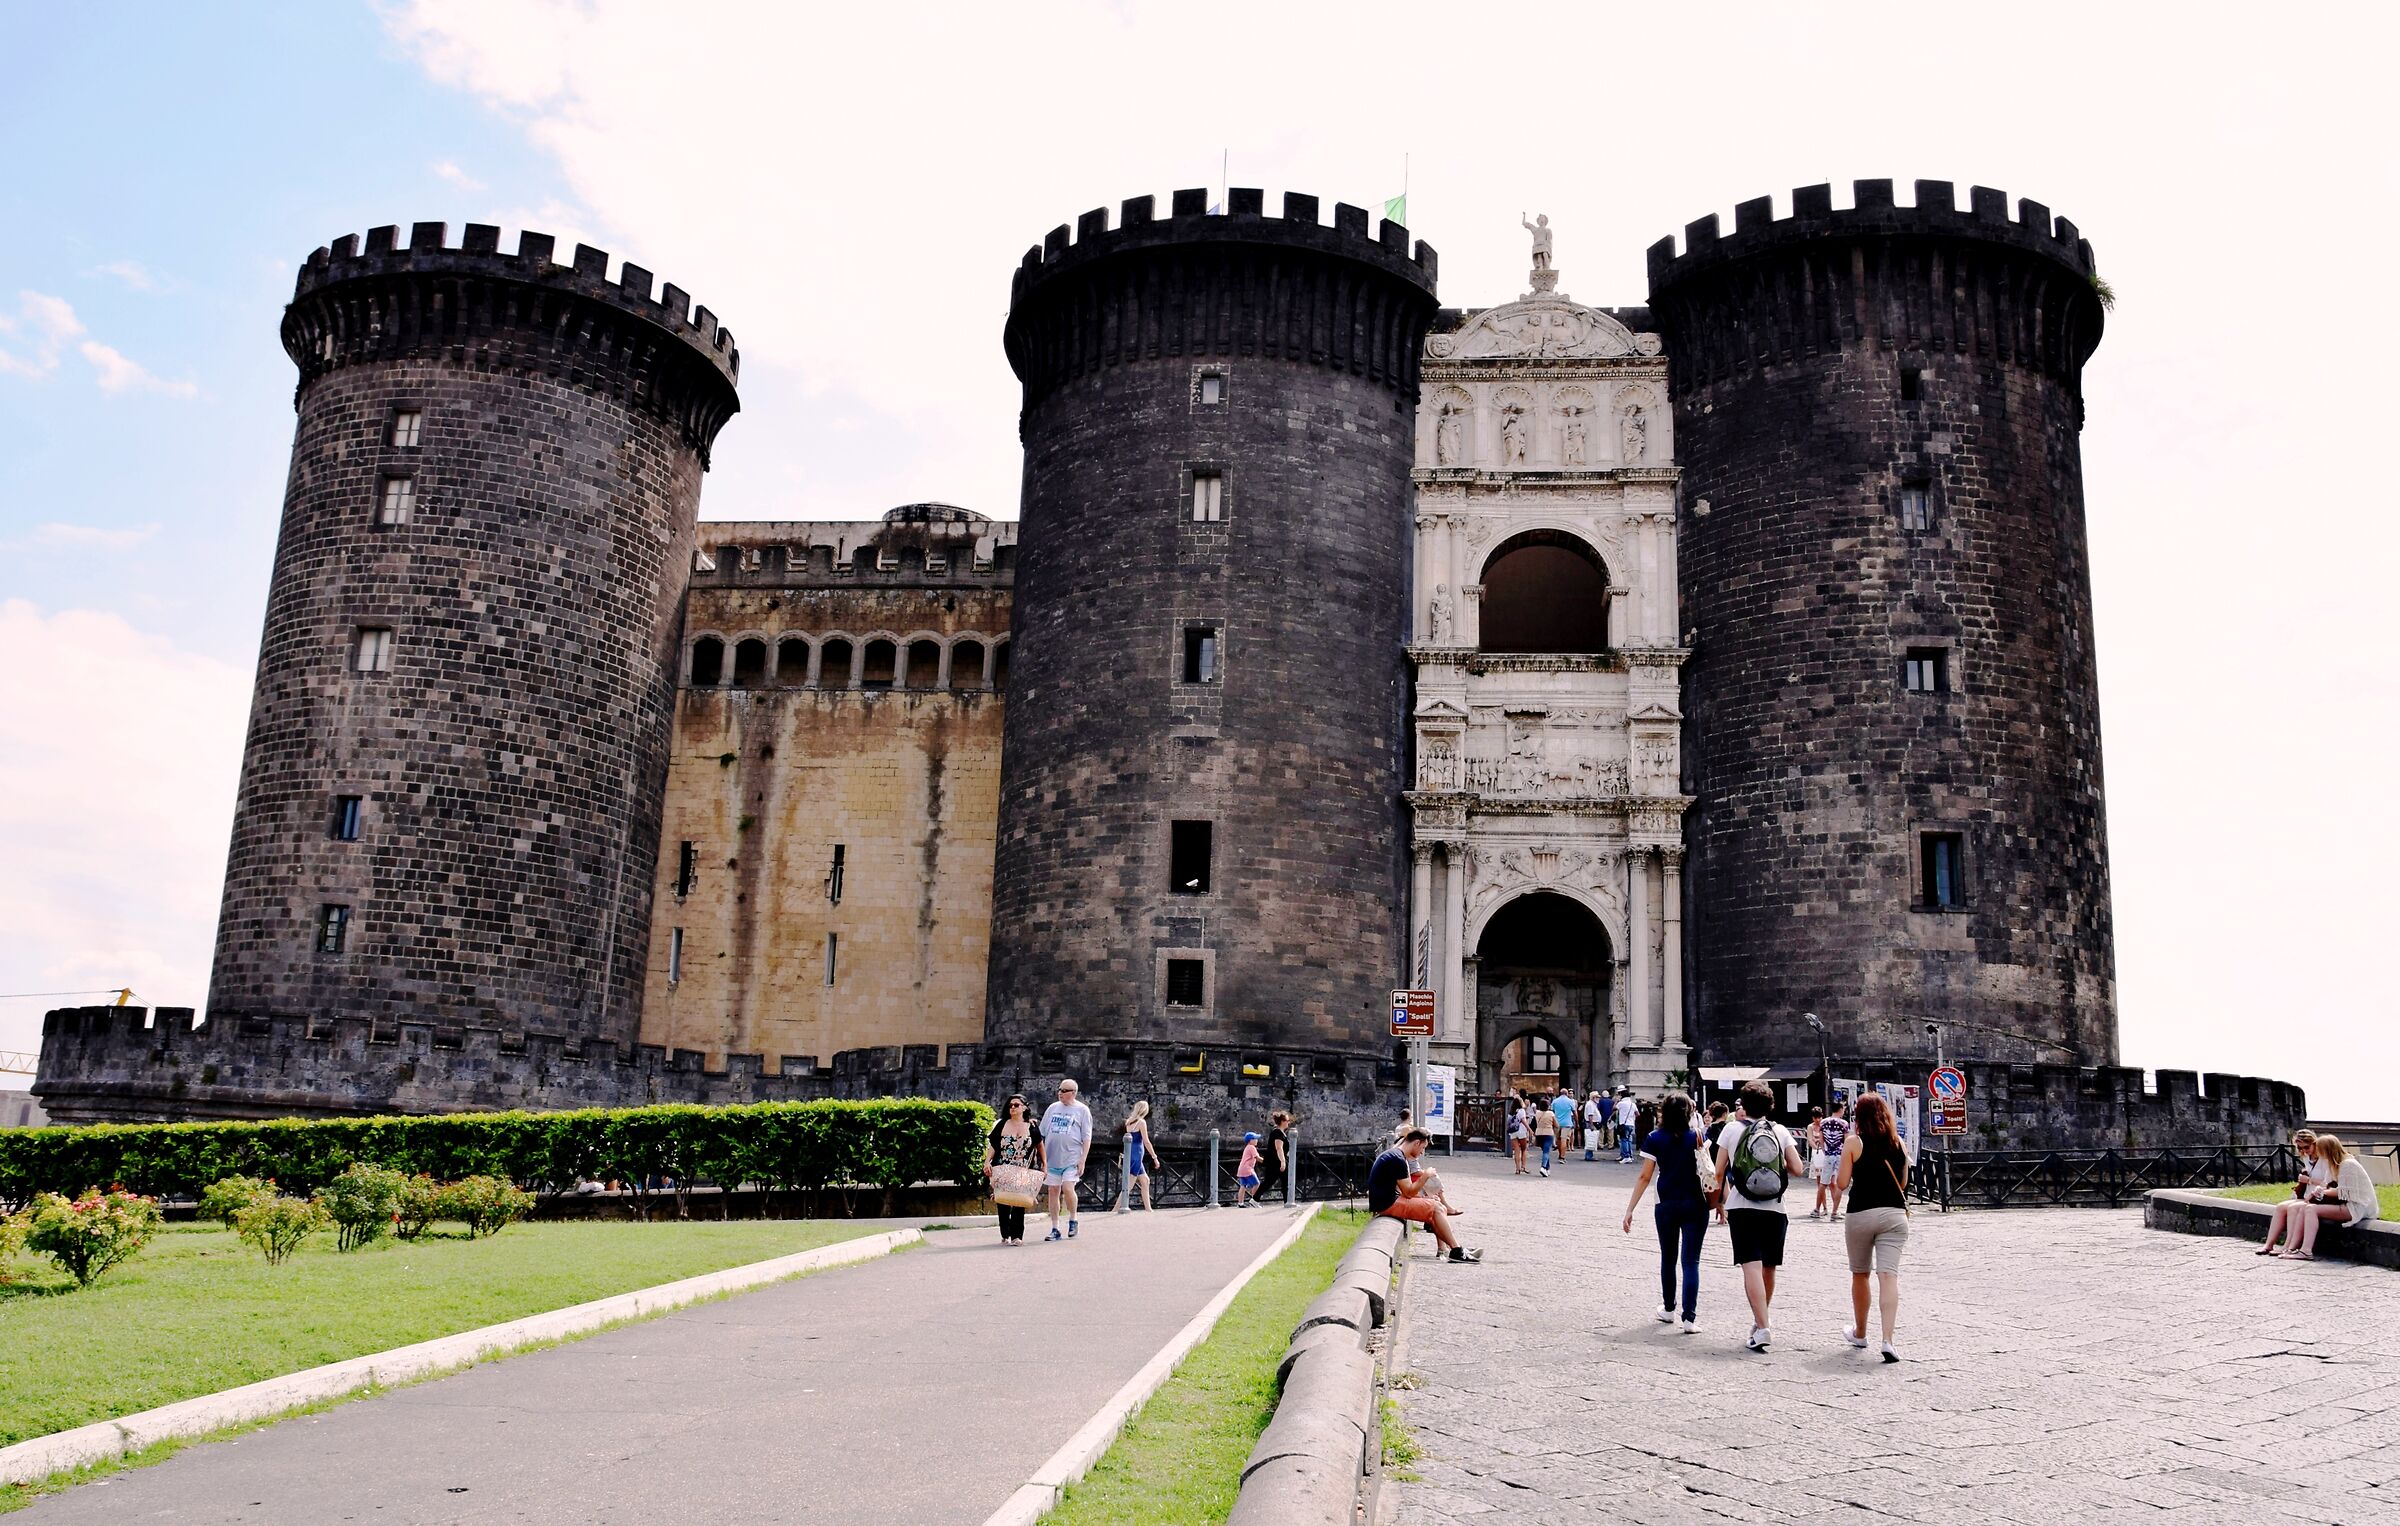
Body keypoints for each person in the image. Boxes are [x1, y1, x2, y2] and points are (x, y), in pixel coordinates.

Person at [1712, 1081, 1808, 1352]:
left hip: (1741, 1206)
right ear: (1771, 1106)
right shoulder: (1779, 1130)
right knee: (1768, 1267)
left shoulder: (1731, 1130)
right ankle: (1760, 1321)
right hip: (1776, 1208)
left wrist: (1718, 1201)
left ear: (1743, 1105)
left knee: (1750, 1267)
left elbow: (1718, 1172)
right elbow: (1798, 1168)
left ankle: (1763, 1326)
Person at [1623, 1093, 1710, 1332]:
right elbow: (1710, 1171)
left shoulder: (1654, 1138)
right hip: (1696, 1202)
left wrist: (1630, 1209)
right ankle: (1690, 1318)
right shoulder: (1699, 1137)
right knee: (1691, 1261)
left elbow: (1645, 1176)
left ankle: (1669, 1309)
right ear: (1689, 1112)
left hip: (1666, 1203)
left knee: (1668, 1258)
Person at [1833, 1091, 1910, 1362]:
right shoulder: (1898, 1142)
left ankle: (1861, 1333)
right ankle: (1888, 1339)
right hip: (1894, 1215)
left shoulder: (1854, 1142)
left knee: (1860, 1274)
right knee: (1888, 1276)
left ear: (1858, 1116)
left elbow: (1842, 1183)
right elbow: (1902, 1184)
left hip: (1861, 1213)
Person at [1371, 1128, 1481, 1262]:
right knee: (1437, 1208)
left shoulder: (1395, 1155)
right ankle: (1456, 1250)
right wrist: (1425, 1175)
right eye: (1422, 1148)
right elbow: (1408, 1192)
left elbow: (1403, 1191)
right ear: (1416, 1143)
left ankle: (1452, 1248)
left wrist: (1424, 1198)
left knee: (1436, 1205)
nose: (1422, 1152)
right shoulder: (1398, 1159)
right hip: (1387, 1204)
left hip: (1386, 1201)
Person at [2284, 1134, 2381, 1259]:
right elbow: (2325, 1184)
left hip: (2357, 1206)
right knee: (2304, 1207)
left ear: (2327, 1150)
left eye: (2320, 1150)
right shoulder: (2333, 1164)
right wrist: (2318, 1191)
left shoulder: (2348, 1164)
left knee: (2311, 1209)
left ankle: (2306, 1251)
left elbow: (2344, 1192)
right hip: (2345, 1203)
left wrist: (2321, 1192)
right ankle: (2291, 1248)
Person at [1037, 1078, 1094, 1242]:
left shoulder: (1082, 1110)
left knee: (1068, 1188)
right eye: (1059, 1090)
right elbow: (1042, 1133)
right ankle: (1055, 1228)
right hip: (1052, 1158)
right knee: (1053, 1191)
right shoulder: (1053, 1108)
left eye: (1064, 1090)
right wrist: (1042, 1158)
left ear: (1073, 1093)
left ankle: (1073, 1218)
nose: (1060, 1093)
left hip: (1072, 1157)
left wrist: (1083, 1159)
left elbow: (1087, 1137)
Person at [2258, 1130, 2327, 1256]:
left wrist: (2309, 1180)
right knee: (2280, 1207)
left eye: (2307, 1147)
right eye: (2301, 1148)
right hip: (2308, 1195)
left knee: (2292, 1208)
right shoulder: (2307, 1158)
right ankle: (2268, 1244)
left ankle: (2288, 1245)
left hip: (2319, 1197)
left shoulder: (2324, 1159)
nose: (2305, 1150)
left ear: (2314, 1143)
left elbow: (2329, 1183)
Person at [985, 1094, 1038, 1246]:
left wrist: (1044, 1165)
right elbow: (994, 1146)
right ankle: (1005, 1234)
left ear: (1025, 1107)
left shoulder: (1032, 1126)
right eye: (1010, 1105)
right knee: (1003, 1201)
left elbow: (1040, 1146)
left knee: (1019, 1202)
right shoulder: (1001, 1124)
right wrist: (987, 1162)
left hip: (1022, 1169)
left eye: (1016, 1105)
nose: (1012, 1108)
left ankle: (1017, 1236)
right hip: (1002, 1167)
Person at [1119, 1100, 1160, 1213]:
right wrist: (1154, 1157)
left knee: (1145, 1181)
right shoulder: (1141, 1122)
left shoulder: (1129, 1122)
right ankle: (1116, 1209)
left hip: (1131, 1152)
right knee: (1129, 1184)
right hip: (1137, 1153)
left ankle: (1148, 1209)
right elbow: (1146, 1141)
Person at [1813, 1102, 1852, 1221]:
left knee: (1823, 1183)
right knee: (1839, 1183)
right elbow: (1846, 1140)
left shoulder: (1824, 1122)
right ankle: (1834, 1212)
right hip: (1840, 1154)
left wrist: (1826, 1151)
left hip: (1828, 1154)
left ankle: (1817, 1209)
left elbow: (1821, 1139)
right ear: (1840, 1109)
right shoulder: (1844, 1123)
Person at [1703, 1100, 1733, 1224]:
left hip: (1712, 1160)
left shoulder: (1709, 1130)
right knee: (1724, 1185)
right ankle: (1729, 1212)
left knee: (1718, 1186)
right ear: (1725, 1113)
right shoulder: (1726, 1128)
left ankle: (1723, 1214)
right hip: (1726, 1159)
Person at [1533, 1089, 1559, 1177]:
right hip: (1548, 1133)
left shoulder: (1537, 1113)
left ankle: (1547, 1168)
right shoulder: (1551, 1114)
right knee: (1546, 1151)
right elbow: (1556, 1125)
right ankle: (1543, 1167)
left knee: (1544, 1151)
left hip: (1539, 1133)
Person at [1267, 1111, 1292, 1203]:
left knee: (1283, 1181)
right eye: (1287, 1120)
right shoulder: (1278, 1132)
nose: (1288, 1122)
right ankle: (1287, 1201)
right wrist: (1283, 1161)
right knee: (1273, 1181)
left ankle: (1287, 1201)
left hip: (1281, 1160)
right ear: (1282, 1121)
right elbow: (1279, 1148)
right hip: (1279, 1161)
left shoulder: (1280, 1132)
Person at [1550, 1088, 1578, 1165]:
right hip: (1567, 1123)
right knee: (1564, 1140)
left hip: (1557, 1123)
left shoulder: (1555, 1101)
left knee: (1558, 1140)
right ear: (1567, 1094)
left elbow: (1552, 1112)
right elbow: (1575, 1113)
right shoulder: (1570, 1101)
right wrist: (1577, 1122)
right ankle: (1562, 1156)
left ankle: (1560, 1154)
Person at [1235, 1131, 1262, 1206]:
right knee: (1256, 1184)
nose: (1257, 1140)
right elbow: (1257, 1158)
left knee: (1243, 1186)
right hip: (1248, 1169)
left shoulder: (1247, 1147)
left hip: (1241, 1169)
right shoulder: (1252, 1147)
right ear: (1251, 1140)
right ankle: (1254, 1201)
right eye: (1255, 1139)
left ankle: (1240, 1203)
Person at [1508, 1095, 1532, 1174]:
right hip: (1521, 1131)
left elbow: (1508, 1122)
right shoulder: (1521, 1111)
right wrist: (1530, 1130)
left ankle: (1517, 1168)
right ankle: (1523, 1167)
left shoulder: (1510, 1112)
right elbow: (1523, 1121)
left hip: (1513, 1132)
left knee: (1516, 1151)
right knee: (1524, 1149)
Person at [1583, 1090, 1608, 1161]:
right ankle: (1589, 1156)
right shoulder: (1590, 1104)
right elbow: (1590, 1115)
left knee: (1591, 1139)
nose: (1598, 1098)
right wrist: (1591, 1125)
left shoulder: (1593, 1104)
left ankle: (1589, 1155)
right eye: (1597, 1097)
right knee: (1590, 1139)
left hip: (1593, 1123)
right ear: (1593, 1097)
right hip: (1591, 1123)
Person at [1615, 1089, 1638, 1162]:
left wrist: (1616, 1101)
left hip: (1623, 1123)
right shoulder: (1633, 1104)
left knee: (1624, 1140)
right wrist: (1632, 1117)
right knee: (1629, 1140)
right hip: (1631, 1124)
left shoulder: (1621, 1103)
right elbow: (1637, 1114)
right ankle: (1630, 1155)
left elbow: (1613, 1108)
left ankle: (1626, 1156)